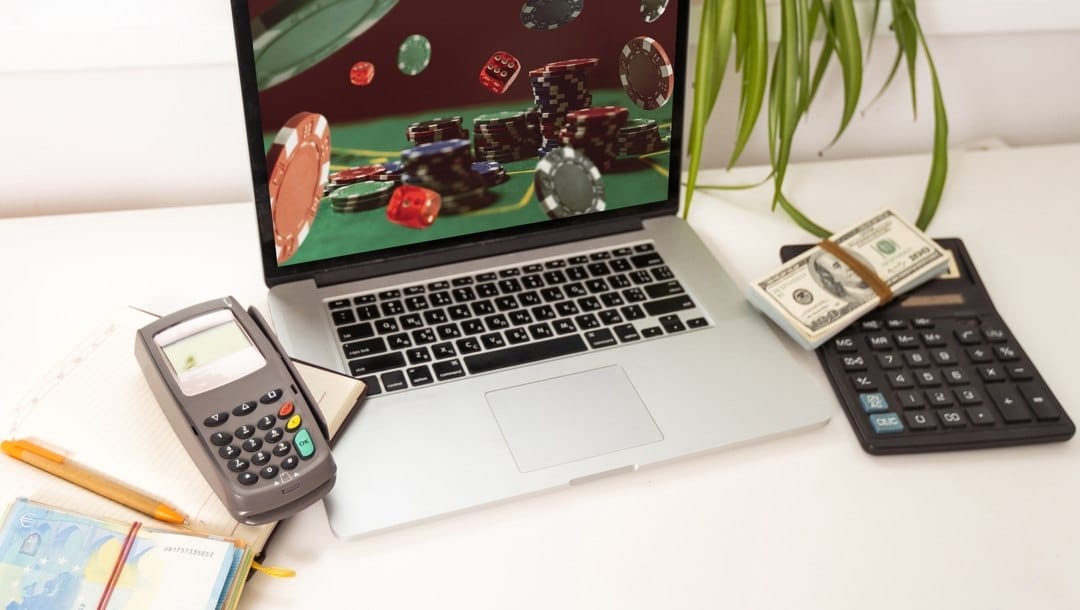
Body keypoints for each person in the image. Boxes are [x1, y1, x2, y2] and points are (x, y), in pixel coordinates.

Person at [808, 250, 877, 304]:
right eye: (836, 266)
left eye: (845, 259)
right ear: (830, 278)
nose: (848, 266)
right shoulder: (849, 299)